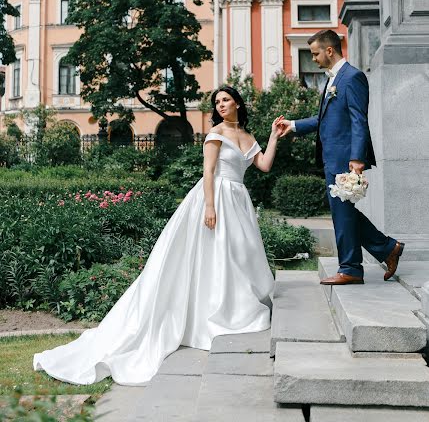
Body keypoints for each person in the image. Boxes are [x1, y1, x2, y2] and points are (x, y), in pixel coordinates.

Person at [34, 86, 283, 386]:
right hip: (215, 197)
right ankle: (215, 312)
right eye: (217, 102)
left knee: (238, 254)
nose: (220, 105)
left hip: (238, 199)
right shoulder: (215, 134)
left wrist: (273, 136)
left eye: (225, 100)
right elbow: (208, 172)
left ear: (238, 103)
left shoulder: (247, 136)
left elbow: (265, 165)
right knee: (217, 255)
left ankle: (234, 305)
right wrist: (209, 207)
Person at [278, 29, 404, 285]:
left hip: (345, 159)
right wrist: (292, 125)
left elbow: (359, 119)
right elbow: (325, 119)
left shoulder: (352, 77)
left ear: (329, 50)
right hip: (333, 157)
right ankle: (387, 248)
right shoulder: (333, 80)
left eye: (314, 54)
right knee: (343, 213)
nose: (313, 59)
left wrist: (357, 159)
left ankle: (351, 268)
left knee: (342, 213)